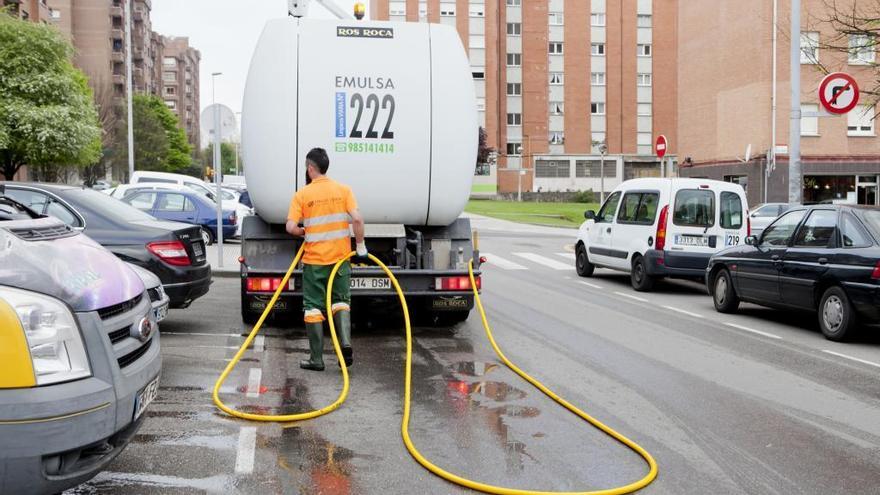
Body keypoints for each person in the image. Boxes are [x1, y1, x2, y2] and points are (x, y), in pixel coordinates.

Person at [286, 148, 366, 371]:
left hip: (314, 262)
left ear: (311, 168)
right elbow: (358, 219)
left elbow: (290, 226)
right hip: (340, 261)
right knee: (341, 302)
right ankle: (345, 346)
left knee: (313, 308)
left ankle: (316, 359)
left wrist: (303, 232)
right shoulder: (343, 190)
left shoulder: (302, 194)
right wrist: (360, 247)